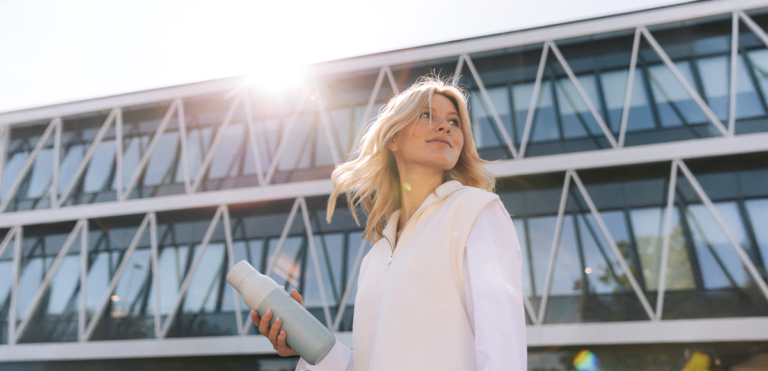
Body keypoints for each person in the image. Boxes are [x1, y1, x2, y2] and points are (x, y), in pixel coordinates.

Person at [252, 76, 527, 370]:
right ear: (392, 138)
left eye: (454, 122)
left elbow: (502, 345)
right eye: (426, 115)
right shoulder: (376, 257)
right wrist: (308, 343)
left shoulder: (476, 210)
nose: (446, 126)